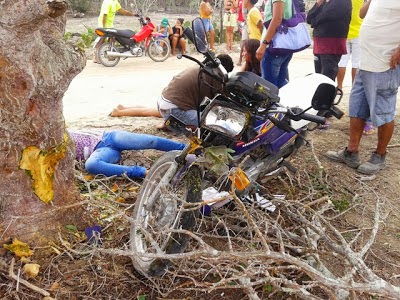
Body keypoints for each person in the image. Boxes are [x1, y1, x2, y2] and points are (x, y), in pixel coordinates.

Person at [326, 0, 400, 175]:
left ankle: (379, 155)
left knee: (383, 111)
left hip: (385, 64)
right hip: (365, 62)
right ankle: (351, 152)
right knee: (357, 107)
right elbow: (362, 13)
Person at [110, 54, 235, 127]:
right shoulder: (215, 77)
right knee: (210, 121)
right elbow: (217, 103)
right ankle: (171, 123)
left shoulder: (202, 67)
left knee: (153, 111)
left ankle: (122, 110)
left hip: (165, 101)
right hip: (174, 108)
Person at [69, 130, 185, 178]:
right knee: (91, 165)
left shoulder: (55, 128)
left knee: (150, 141)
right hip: (100, 152)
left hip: (108, 136)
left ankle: (187, 149)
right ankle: (144, 173)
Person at [337, 0, 375, 135]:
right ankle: (354, 90)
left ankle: (339, 88)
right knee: (356, 64)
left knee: (342, 62)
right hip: (360, 31)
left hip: (345, 31)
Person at [306, 0, 352, 81]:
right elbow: (309, 18)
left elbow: (325, 16)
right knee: (318, 76)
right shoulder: (324, 2)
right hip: (319, 43)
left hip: (332, 43)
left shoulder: (341, 2)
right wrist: (317, 4)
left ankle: (328, 93)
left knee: (327, 77)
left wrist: (314, 22)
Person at [256, 0, 293, 88]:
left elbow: (277, 19)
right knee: (281, 86)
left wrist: (264, 44)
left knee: (269, 89)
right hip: (284, 45)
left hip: (274, 46)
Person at [237, 0, 249, 66]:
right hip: (247, 24)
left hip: (255, 24)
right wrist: (248, 23)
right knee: (244, 42)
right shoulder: (245, 1)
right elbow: (244, 14)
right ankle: (240, 59)